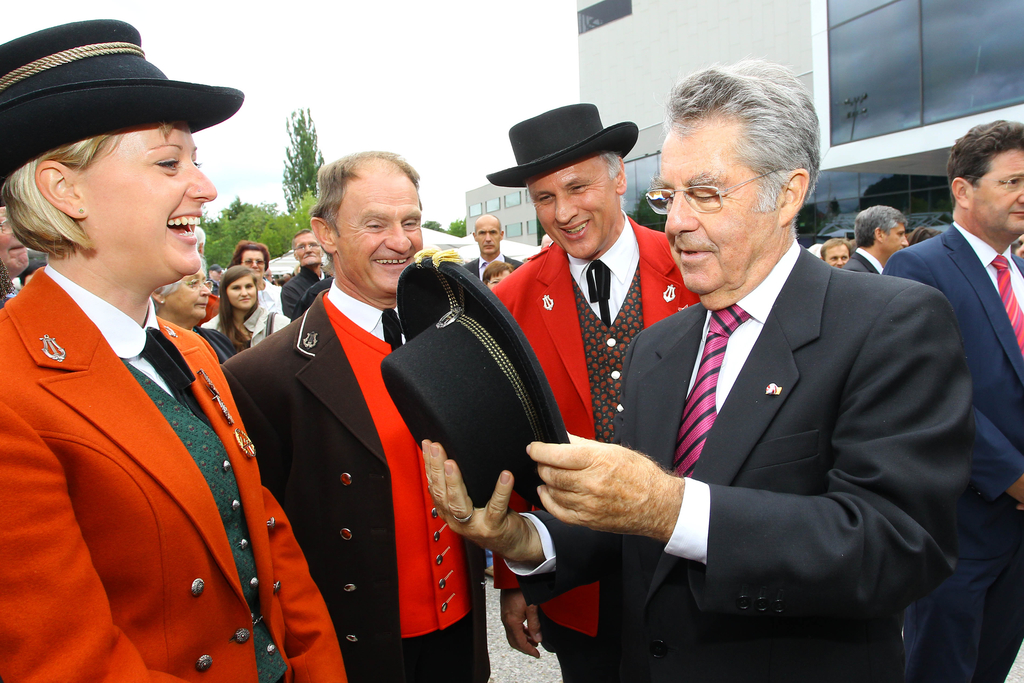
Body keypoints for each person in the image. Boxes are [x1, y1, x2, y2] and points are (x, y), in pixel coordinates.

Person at [424, 60, 973, 683]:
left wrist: (667, 505)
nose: (676, 221)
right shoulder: (658, 348)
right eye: (668, 196)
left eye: (706, 194)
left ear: (787, 194)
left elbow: (899, 546)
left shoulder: (891, 323)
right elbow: (626, 522)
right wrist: (525, 541)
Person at [0, 19, 346, 683]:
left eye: (197, 161)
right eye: (169, 163)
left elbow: (266, 539)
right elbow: (68, 663)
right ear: (63, 189)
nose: (206, 189)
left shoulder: (190, 352)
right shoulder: (13, 389)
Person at [223, 151, 490, 683]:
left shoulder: (457, 338)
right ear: (326, 233)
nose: (400, 241)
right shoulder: (261, 375)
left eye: (410, 221)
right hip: (357, 649)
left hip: (460, 640)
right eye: (375, 224)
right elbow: (261, 547)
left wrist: (515, 580)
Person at [484, 102, 697, 683]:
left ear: (619, 176)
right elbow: (505, 449)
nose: (564, 212)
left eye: (578, 187)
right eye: (544, 198)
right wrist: (516, 577)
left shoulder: (695, 268)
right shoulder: (510, 304)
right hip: (577, 585)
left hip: (689, 566)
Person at [884, 120, 1024, 683]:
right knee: (941, 669)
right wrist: (1014, 477)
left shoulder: (1018, 270)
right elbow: (928, 392)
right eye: (1012, 182)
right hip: (960, 526)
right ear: (963, 190)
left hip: (1017, 532)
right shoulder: (919, 266)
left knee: (993, 665)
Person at [152, 267, 236, 362]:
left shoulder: (219, 339)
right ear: (159, 292)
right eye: (193, 283)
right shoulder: (149, 349)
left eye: (205, 283)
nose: (207, 292)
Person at [204, 265, 286, 354]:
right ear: (225, 292)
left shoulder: (279, 324)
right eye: (236, 288)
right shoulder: (210, 330)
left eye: (248, 286)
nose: (244, 293)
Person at [843, 205, 908, 273]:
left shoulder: (861, 270)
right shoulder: (856, 274)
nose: (906, 243)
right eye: (900, 234)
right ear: (879, 234)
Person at [230, 240, 283, 314]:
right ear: (239, 265)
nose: (255, 265)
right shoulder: (232, 296)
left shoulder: (280, 293)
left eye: (259, 262)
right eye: (249, 262)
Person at [281, 229, 324, 319]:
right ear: (295, 255)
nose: (308, 250)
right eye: (301, 247)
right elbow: (297, 323)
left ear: (322, 250)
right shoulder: (290, 289)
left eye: (313, 245)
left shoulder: (335, 280)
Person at [463, 214, 521, 279]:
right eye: (482, 233)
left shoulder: (519, 269)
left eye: (493, 232)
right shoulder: (464, 273)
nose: (488, 239)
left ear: (501, 235)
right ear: (475, 236)